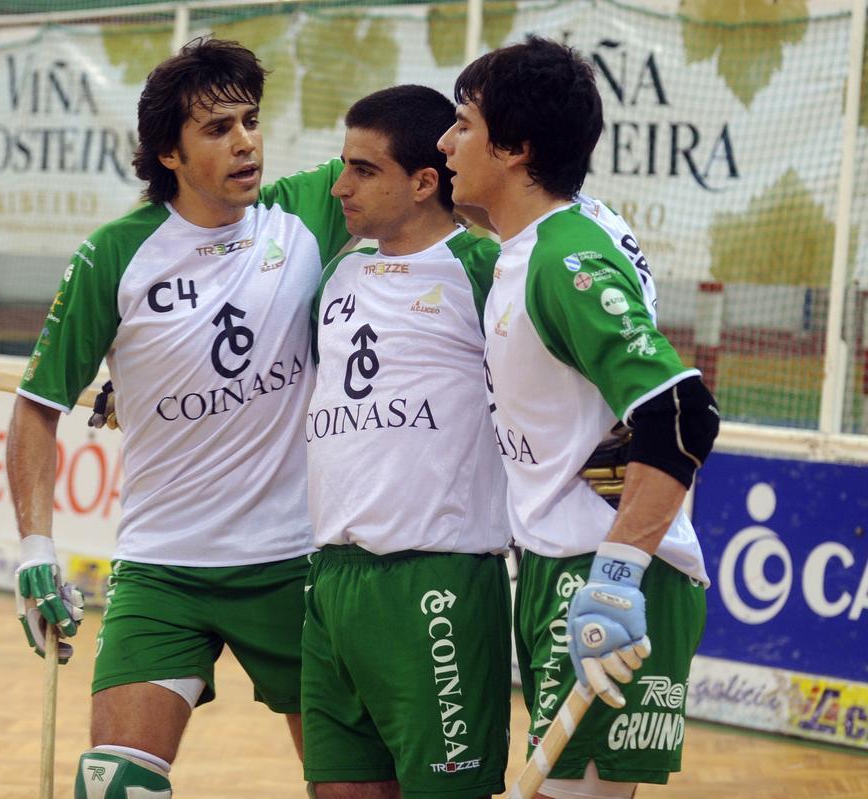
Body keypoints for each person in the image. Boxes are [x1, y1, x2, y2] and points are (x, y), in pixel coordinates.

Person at [6, 37, 352, 798]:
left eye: (251, 120)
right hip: (166, 566)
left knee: (359, 791)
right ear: (169, 152)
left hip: (294, 563)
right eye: (218, 128)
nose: (245, 142)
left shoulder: (306, 213)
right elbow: (36, 407)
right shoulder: (114, 255)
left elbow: (436, 175)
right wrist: (34, 543)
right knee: (113, 785)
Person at [437, 36, 721, 799]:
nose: (444, 141)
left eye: (464, 122)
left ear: (517, 148)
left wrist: (619, 576)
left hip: (603, 573)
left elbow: (682, 409)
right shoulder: (526, 249)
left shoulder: (564, 257)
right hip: (550, 563)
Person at [302, 84, 512, 799]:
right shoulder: (336, 275)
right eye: (343, 166)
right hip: (332, 581)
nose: (339, 187)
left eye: (363, 169)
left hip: (437, 582)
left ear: (425, 182)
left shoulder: (485, 273)